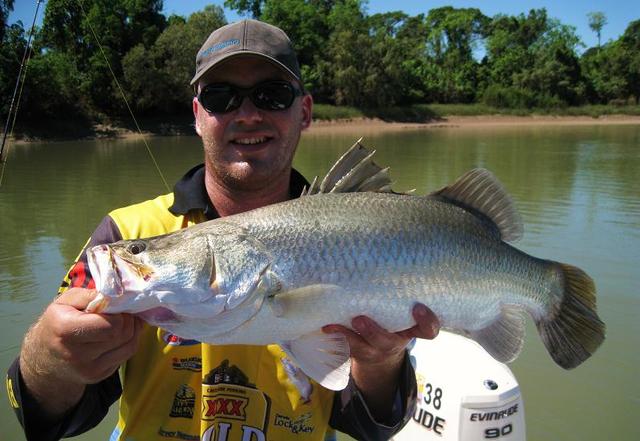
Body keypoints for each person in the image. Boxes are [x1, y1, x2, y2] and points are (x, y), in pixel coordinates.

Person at [6, 19, 440, 441]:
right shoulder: (126, 232)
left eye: (271, 95)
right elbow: (47, 421)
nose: (248, 114)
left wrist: (381, 362)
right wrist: (50, 356)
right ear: (197, 115)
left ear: (304, 111)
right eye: (221, 96)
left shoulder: (361, 227)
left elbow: (370, 427)